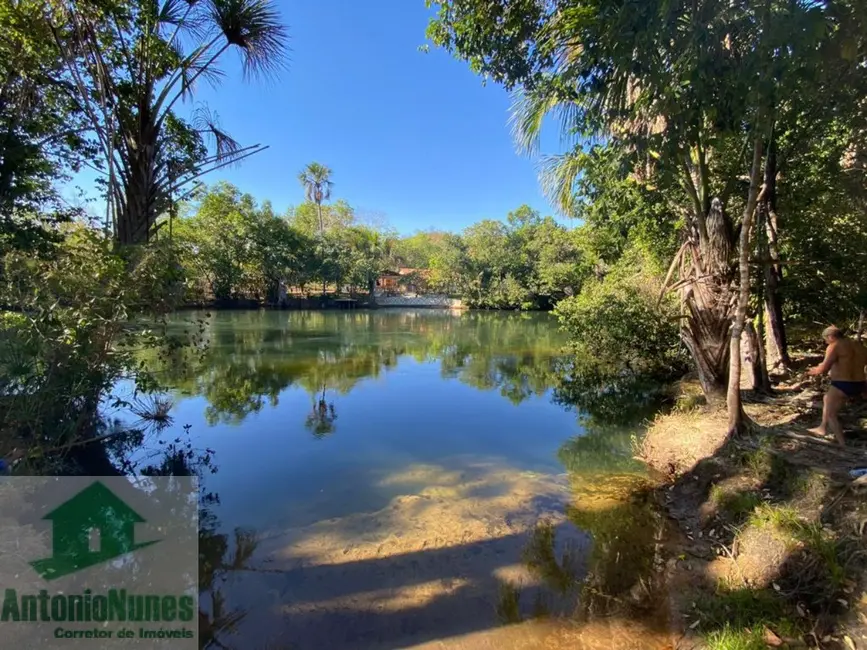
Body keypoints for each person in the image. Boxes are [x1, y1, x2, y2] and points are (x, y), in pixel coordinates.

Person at [807, 326, 867, 445]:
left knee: (831, 414)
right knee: (827, 398)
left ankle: (842, 445)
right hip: (859, 383)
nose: (826, 342)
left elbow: (823, 369)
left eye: (826, 339)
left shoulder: (834, 346)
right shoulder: (860, 346)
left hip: (842, 384)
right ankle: (822, 428)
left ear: (831, 337)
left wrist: (810, 371)